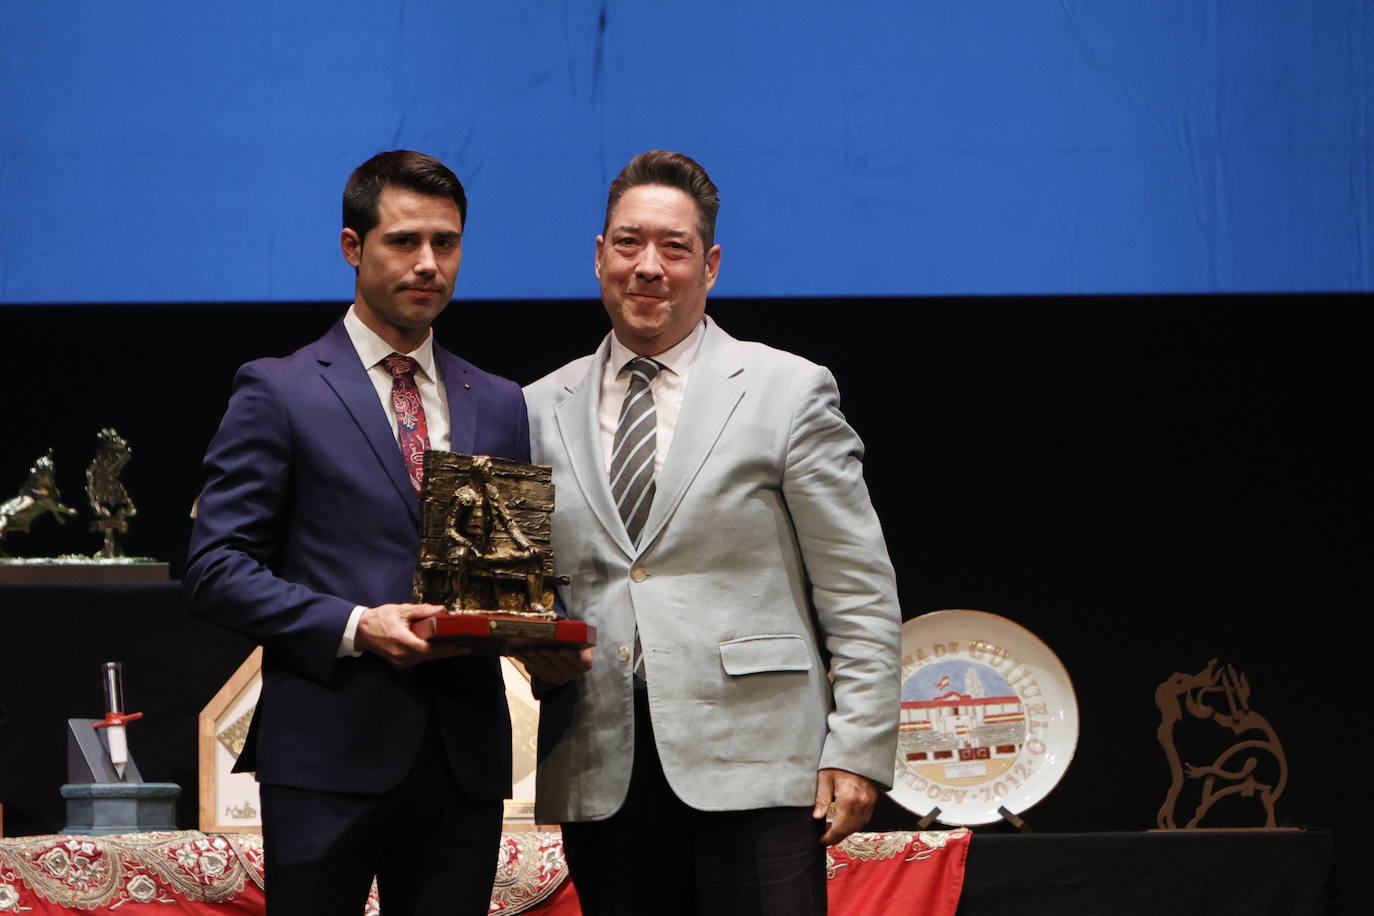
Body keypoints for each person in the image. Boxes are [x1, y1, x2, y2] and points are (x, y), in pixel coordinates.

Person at [519, 150, 901, 915]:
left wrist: (858, 749)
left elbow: (857, 587)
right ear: (599, 257)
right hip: (602, 766)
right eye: (628, 243)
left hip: (758, 763)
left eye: (675, 247)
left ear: (712, 265)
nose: (649, 267)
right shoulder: (532, 408)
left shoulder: (787, 390)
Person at [185, 150, 528, 916]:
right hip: (326, 749)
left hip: (463, 750)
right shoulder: (279, 389)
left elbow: (505, 575)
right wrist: (354, 625)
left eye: (446, 242)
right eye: (404, 241)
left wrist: (537, 626)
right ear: (352, 247)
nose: (428, 264)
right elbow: (214, 568)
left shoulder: (500, 402)